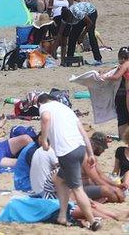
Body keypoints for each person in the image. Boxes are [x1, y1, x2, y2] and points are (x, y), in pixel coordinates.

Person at [37, 93, 100, 230]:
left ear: (40, 103)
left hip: (67, 151)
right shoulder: (66, 108)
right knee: (60, 180)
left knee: (77, 188)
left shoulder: (44, 107)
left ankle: (92, 221)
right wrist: (90, 153)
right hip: (80, 147)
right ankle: (62, 216)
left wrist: (44, 140)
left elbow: (46, 118)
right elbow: (83, 132)